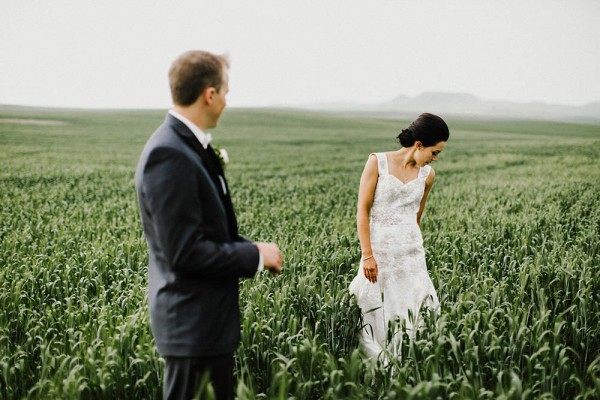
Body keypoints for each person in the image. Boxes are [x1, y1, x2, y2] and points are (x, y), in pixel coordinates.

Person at [135, 50, 283, 400]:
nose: (227, 102)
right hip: (191, 329)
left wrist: (252, 249)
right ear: (209, 94)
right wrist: (255, 255)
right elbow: (184, 252)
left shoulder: (187, 146)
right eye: (226, 92)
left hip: (204, 329)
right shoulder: (169, 154)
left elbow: (208, 233)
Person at [349, 113, 449, 361]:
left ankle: (412, 359)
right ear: (418, 145)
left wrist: (413, 251)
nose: (435, 159)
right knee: (375, 309)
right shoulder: (377, 162)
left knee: (413, 307)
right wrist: (367, 255)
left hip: (411, 254)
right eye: (434, 152)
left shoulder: (428, 176)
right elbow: (362, 211)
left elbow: (416, 217)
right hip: (379, 253)